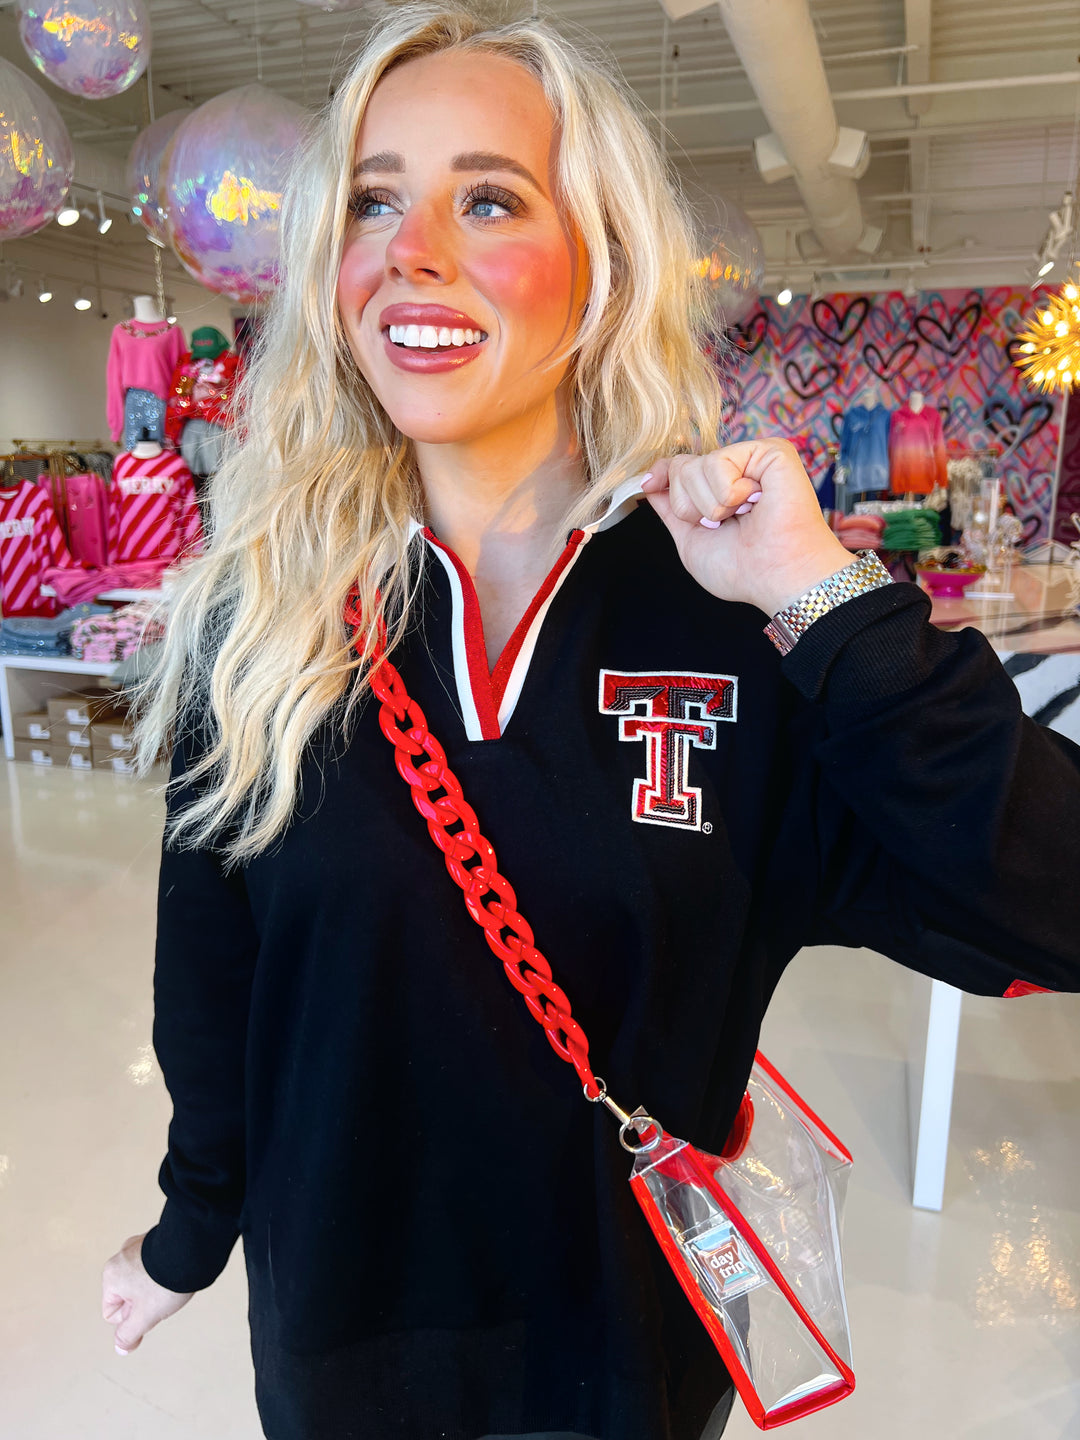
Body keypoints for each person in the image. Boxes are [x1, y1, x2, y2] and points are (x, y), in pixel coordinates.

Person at [101, 6, 1080, 1439]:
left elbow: (1054, 904)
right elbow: (217, 986)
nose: (411, 249)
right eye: (375, 201)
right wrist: (192, 1231)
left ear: (603, 264)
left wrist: (826, 603)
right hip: (340, 1352)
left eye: (486, 196)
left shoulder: (732, 626)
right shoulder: (256, 621)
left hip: (627, 1366)